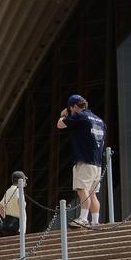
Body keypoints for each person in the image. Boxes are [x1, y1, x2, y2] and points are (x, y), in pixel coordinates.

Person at [56, 94, 106, 228]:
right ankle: (95, 221)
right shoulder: (100, 121)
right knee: (93, 193)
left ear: (74, 107)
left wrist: (64, 115)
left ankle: (83, 218)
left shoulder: (80, 116)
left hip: (84, 160)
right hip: (97, 163)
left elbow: (60, 125)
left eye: (71, 109)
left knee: (82, 189)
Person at [0, 171, 25, 236]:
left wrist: (5, 217)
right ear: (21, 180)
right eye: (25, 179)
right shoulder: (19, 191)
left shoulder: (8, 191)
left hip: (8, 223)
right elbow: (22, 208)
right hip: (18, 225)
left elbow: (0, 206)